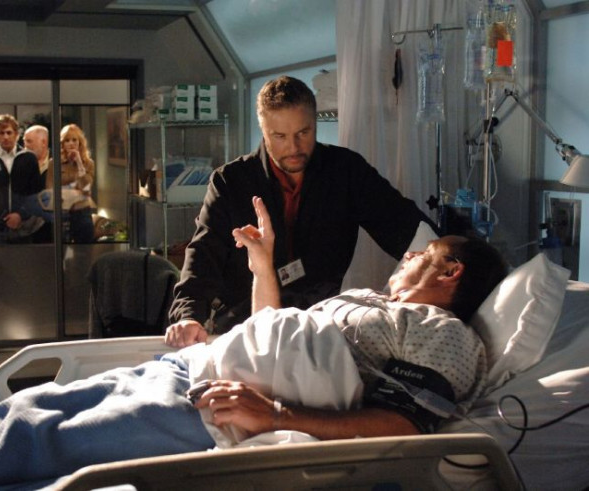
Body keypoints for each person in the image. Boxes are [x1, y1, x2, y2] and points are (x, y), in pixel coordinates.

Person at [0, 197, 507, 490]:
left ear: (449, 271)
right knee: (22, 412)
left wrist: (275, 415)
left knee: (35, 438)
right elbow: (273, 331)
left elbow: (405, 426)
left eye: (420, 254)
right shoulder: (371, 303)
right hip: (192, 366)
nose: (406, 257)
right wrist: (262, 266)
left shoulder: (446, 337)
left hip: (212, 407)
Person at [165, 76, 436, 347]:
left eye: (303, 133)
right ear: (263, 130)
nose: (294, 148)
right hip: (241, 323)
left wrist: (446, 268)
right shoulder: (231, 181)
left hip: (316, 324)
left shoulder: (345, 171)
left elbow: (405, 227)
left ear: (315, 124)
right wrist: (189, 316)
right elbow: (204, 255)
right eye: (280, 136)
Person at [0, 114, 44, 243]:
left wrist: (20, 215)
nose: (5, 137)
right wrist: (2, 216)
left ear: (16, 134)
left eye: (9, 132)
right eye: (1, 133)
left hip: (24, 225)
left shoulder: (29, 158)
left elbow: (35, 192)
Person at [44, 123, 96, 243]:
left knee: (84, 250)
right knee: (63, 250)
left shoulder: (88, 163)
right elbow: (50, 190)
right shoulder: (53, 163)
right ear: (62, 143)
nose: (71, 143)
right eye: (67, 140)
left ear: (80, 143)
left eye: (74, 140)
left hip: (83, 213)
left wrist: (79, 163)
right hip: (62, 212)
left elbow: (86, 189)